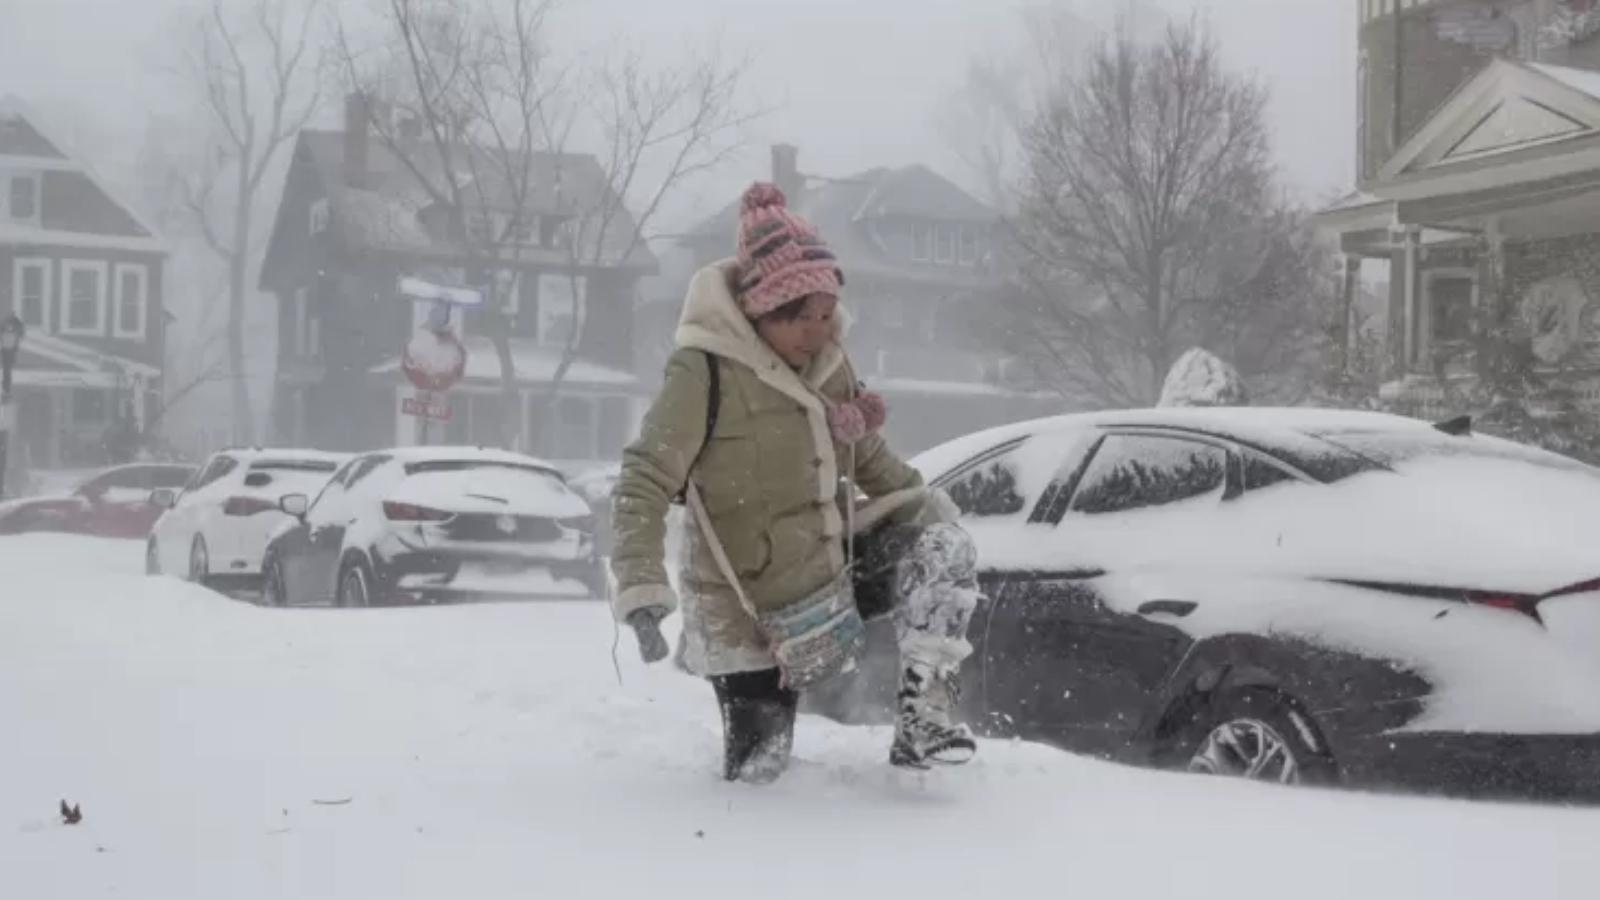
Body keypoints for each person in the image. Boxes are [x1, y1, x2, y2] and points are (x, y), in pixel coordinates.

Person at [610, 182, 983, 784]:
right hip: (745, 607)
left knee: (942, 545)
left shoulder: (830, 365)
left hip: (829, 577)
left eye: (825, 314)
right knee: (761, 773)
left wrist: (935, 512)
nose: (818, 331)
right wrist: (642, 588)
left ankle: (925, 719)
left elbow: (872, 461)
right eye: (800, 318)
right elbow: (644, 477)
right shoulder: (703, 369)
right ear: (761, 310)